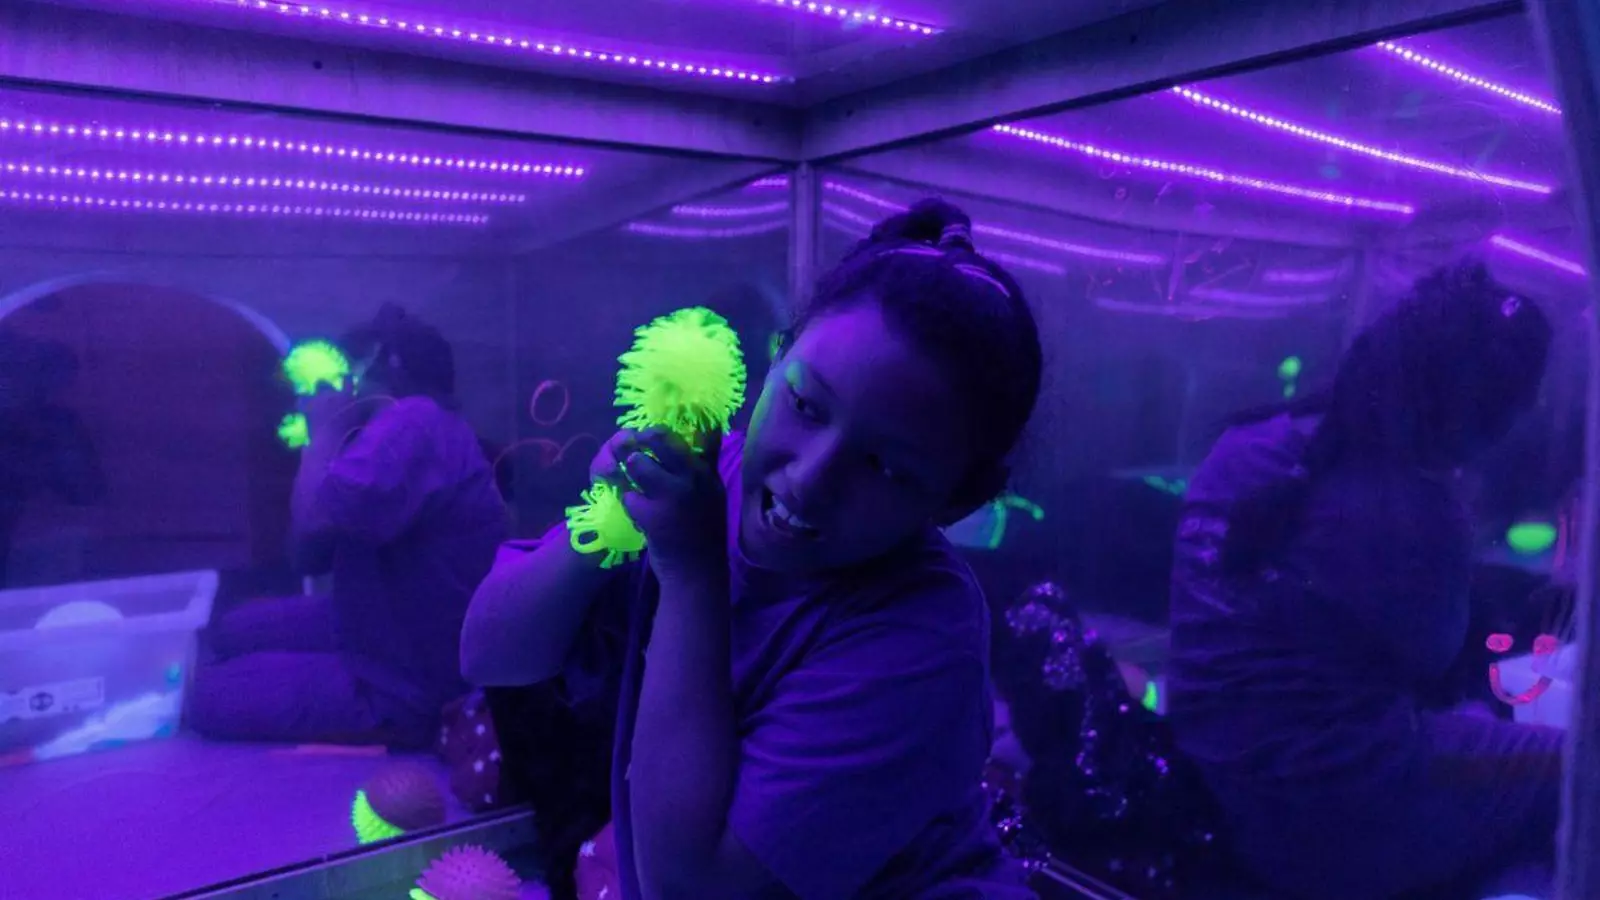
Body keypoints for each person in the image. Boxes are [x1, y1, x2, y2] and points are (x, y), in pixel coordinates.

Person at [462, 199, 1043, 900]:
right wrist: (607, 520)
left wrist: (691, 570)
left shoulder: (924, 636)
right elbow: (492, 653)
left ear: (958, 501)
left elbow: (692, 890)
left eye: (886, 468)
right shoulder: (713, 473)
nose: (811, 478)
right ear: (776, 356)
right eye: (806, 405)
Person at [1168, 260, 1561, 900]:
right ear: (1475, 414)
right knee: (1573, 773)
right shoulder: (1415, 505)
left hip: (1223, 786)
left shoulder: (1240, 445)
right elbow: (1435, 654)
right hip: (1338, 812)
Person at [190, 305, 507, 749]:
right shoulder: (428, 428)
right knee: (232, 628)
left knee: (207, 694)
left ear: (388, 365)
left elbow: (313, 521)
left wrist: (324, 432)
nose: (339, 388)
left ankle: (397, 722)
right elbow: (307, 556)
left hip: (402, 679)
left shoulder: (413, 421)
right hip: (377, 620)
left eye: (347, 373)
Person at [0, 333, 106, 587]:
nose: (6, 381)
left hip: (31, 572)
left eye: (14, 371)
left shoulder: (57, 425)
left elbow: (86, 495)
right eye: (4, 370)